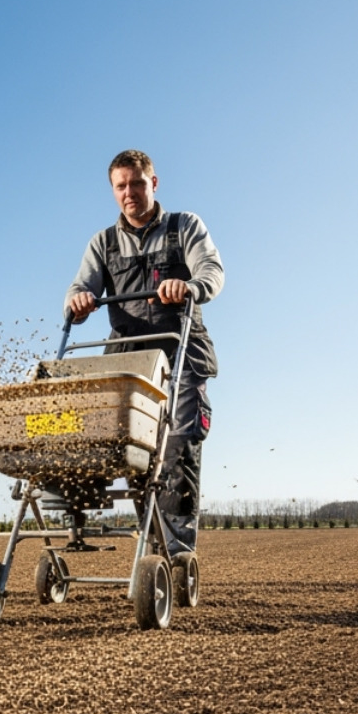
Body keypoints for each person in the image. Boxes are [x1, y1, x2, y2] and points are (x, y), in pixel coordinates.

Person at [65, 149, 223, 557]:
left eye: (137, 183)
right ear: (113, 190)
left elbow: (211, 271)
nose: (129, 192)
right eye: (121, 186)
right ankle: (152, 548)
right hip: (129, 364)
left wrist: (188, 287)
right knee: (135, 453)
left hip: (181, 353)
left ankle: (177, 553)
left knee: (177, 449)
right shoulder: (103, 243)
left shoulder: (184, 227)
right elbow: (79, 288)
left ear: (153, 183)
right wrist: (78, 301)